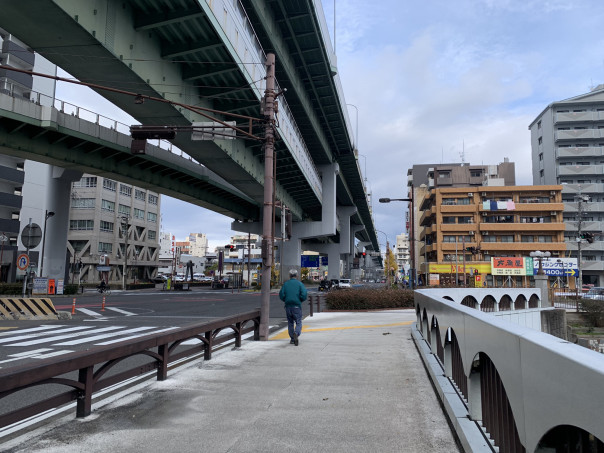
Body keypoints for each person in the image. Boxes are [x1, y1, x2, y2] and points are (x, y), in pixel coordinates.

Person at [279, 269, 307, 346]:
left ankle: (292, 339)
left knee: (290, 322)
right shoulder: (300, 284)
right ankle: (296, 333)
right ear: (297, 275)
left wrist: (286, 299)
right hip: (297, 305)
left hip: (288, 306)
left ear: (289, 275)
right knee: (298, 321)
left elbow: (281, 295)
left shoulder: (285, 284)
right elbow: (304, 294)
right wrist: (300, 300)